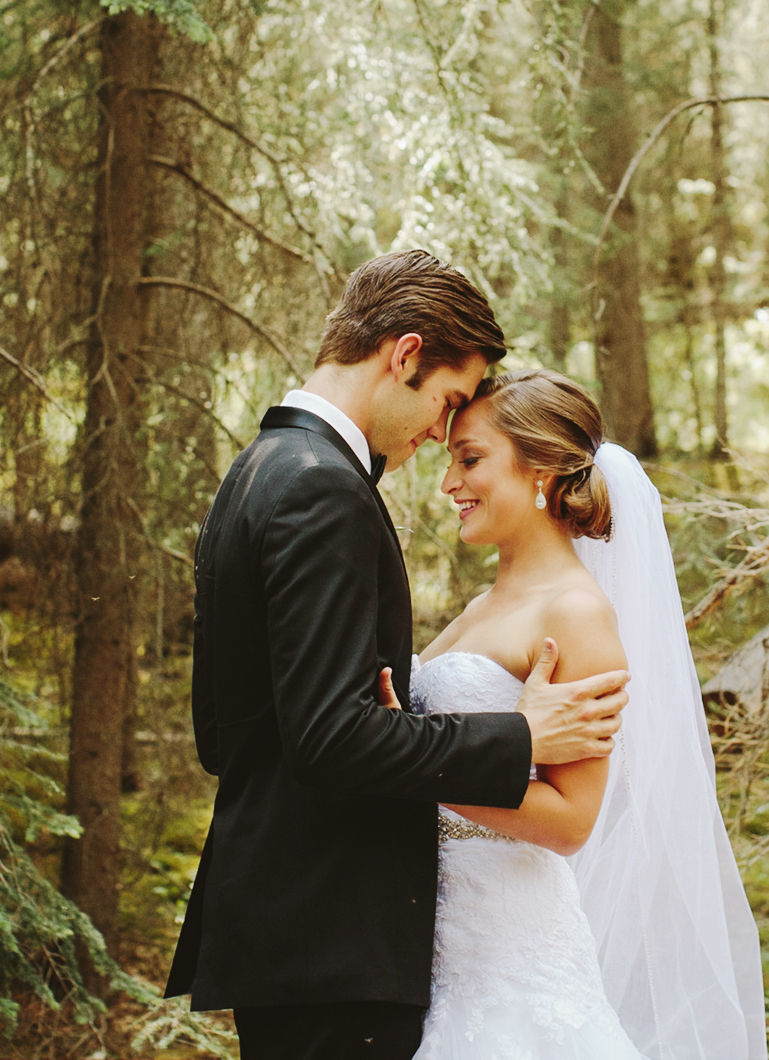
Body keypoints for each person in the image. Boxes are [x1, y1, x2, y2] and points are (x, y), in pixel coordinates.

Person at [164, 251, 631, 1060]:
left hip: (320, 932)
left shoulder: (257, 471)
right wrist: (520, 740)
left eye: (468, 448)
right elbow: (332, 737)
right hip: (332, 934)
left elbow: (225, 734)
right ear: (405, 355)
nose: (436, 443)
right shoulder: (321, 488)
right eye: (447, 405)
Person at [396, 370, 767, 1060]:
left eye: (469, 458)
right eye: (449, 459)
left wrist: (404, 768)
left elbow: (570, 823)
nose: (448, 482)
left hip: (509, 950)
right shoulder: (482, 608)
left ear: (539, 468)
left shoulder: (577, 612)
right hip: (436, 943)